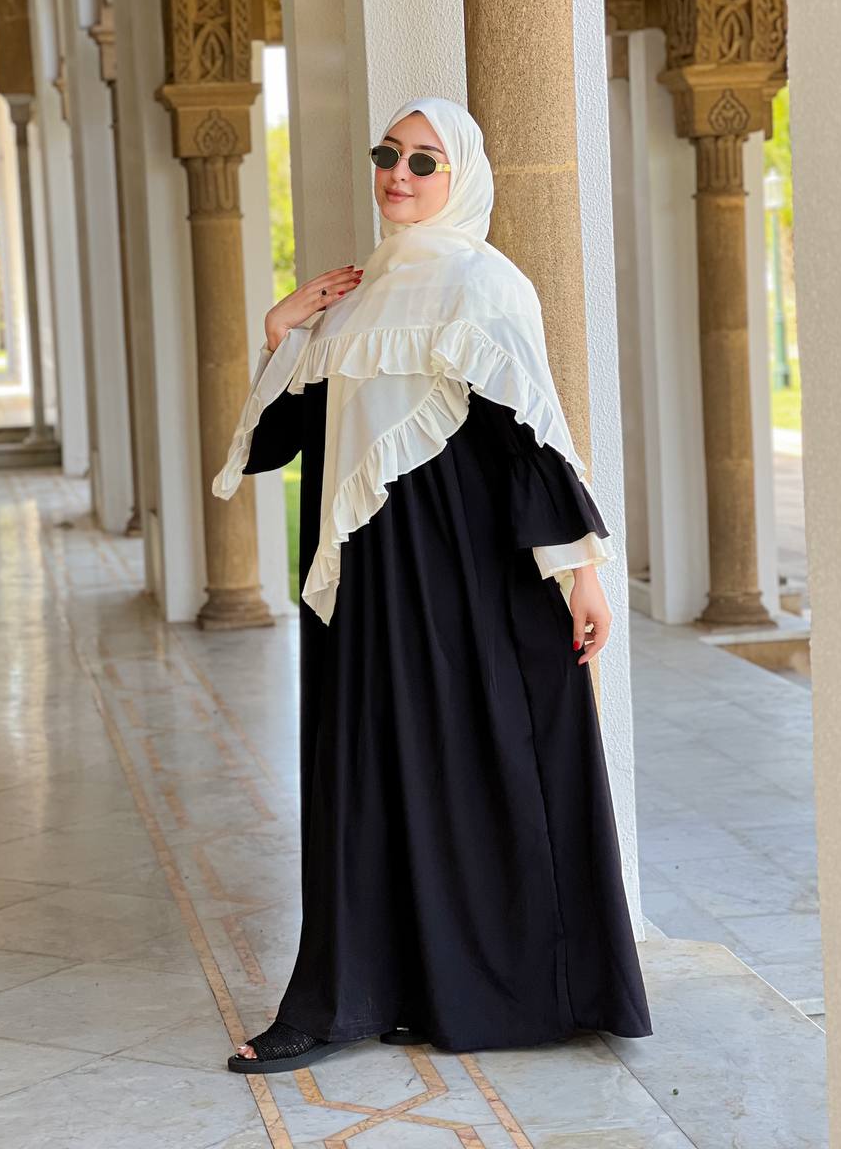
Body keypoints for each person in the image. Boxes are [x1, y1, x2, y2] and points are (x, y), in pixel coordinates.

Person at [214, 97, 653, 1074]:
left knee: (473, 767)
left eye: (423, 160)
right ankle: (344, 997)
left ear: (459, 176)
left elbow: (529, 437)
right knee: (366, 770)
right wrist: (282, 330)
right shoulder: (354, 296)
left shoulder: (485, 283)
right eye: (388, 154)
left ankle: (488, 987)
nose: (398, 174)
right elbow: (283, 443)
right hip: (369, 579)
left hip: (465, 572)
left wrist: (579, 573)